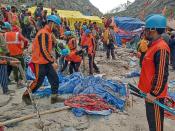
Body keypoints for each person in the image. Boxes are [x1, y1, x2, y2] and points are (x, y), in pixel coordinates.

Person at [22, 15, 65, 105]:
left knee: (54, 79)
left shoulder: (48, 33)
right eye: (56, 25)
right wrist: (52, 61)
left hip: (45, 61)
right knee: (38, 81)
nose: (57, 27)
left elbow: (48, 49)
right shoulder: (43, 33)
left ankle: (54, 98)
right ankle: (26, 96)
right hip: (39, 62)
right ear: (52, 23)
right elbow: (43, 50)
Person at [138, 14, 170, 131]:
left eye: (146, 29)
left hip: (154, 96)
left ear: (153, 30)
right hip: (149, 94)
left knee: (156, 127)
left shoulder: (161, 48)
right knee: (152, 123)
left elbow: (162, 74)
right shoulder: (152, 45)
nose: (144, 32)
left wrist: (154, 94)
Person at [3, 22, 28, 87]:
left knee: (14, 68)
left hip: (9, 54)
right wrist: (23, 48)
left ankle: (16, 81)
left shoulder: (4, 34)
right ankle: (19, 81)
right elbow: (25, 41)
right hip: (18, 54)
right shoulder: (17, 34)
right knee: (22, 67)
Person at [0, 24, 19, 94]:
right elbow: (4, 46)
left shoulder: (3, 34)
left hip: (3, 56)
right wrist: (8, 57)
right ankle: (5, 90)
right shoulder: (1, 35)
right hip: (2, 56)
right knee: (3, 73)